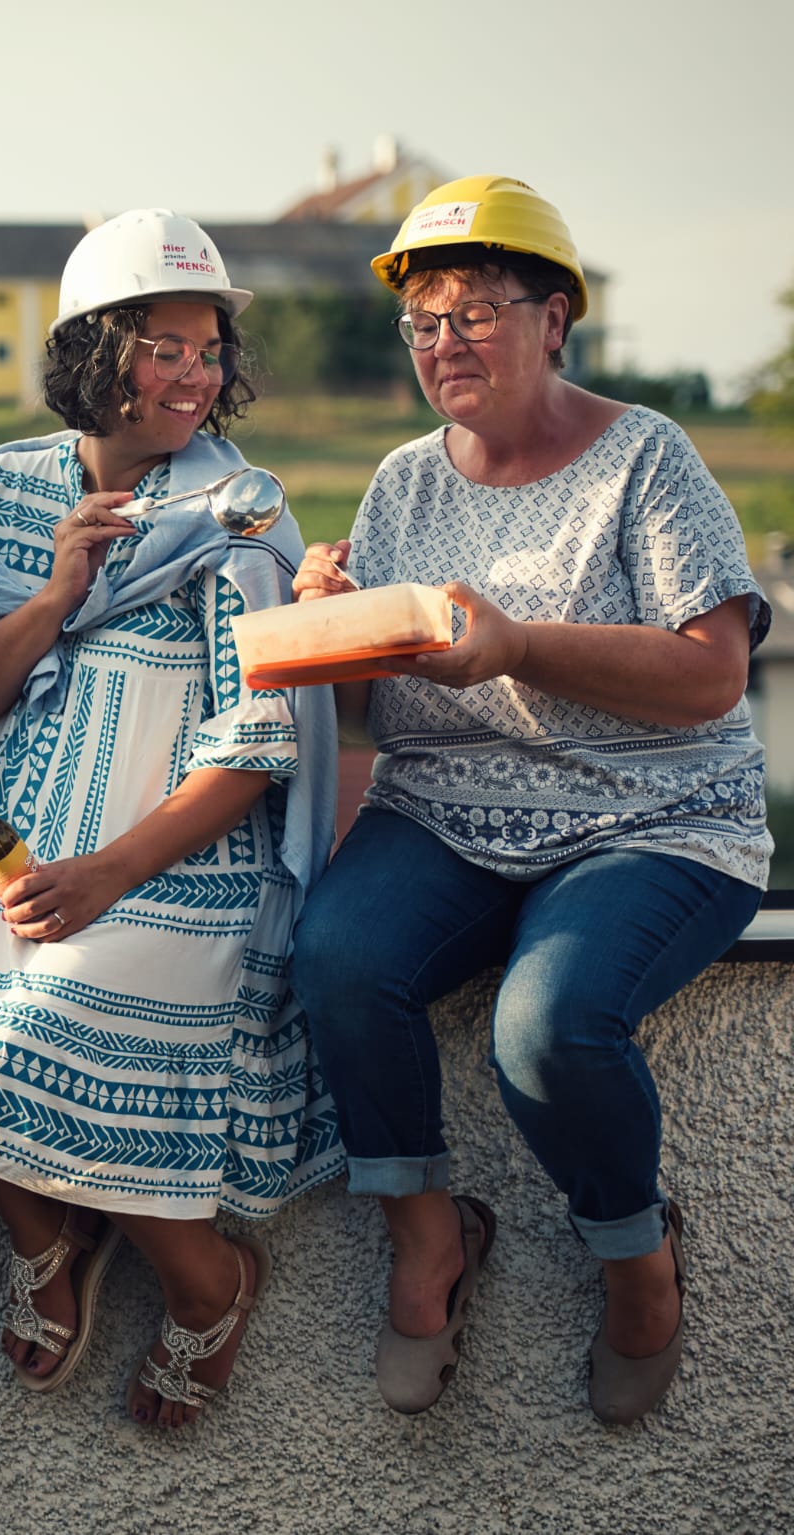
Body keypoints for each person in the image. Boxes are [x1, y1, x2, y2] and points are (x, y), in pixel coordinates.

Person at [0, 210, 342, 1429]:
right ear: (93, 351)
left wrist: (106, 874)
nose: (194, 373)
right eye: (163, 345)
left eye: (207, 348)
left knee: (45, 1018)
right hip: (5, 829)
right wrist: (58, 591)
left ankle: (209, 1275)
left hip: (173, 850)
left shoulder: (238, 517)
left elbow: (254, 749)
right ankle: (48, 1238)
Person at [289, 177, 768, 1424]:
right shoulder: (399, 481)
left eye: (474, 312)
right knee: (334, 957)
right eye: (423, 322)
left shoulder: (643, 457)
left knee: (543, 1023)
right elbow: (371, 695)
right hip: (442, 807)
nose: (442, 341)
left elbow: (714, 672)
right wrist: (316, 627)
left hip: (648, 819)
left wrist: (518, 646)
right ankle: (430, 1236)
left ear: (555, 318)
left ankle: (634, 1259)